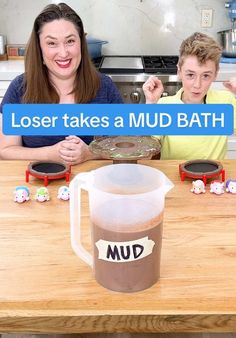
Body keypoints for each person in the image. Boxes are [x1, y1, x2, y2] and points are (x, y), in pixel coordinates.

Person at [0, 3, 122, 165]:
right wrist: (50, 153)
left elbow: (124, 147)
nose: (63, 53)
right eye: (52, 43)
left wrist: (91, 152)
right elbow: (6, 150)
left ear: (81, 44)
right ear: (40, 49)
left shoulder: (105, 87)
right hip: (36, 186)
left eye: (70, 41)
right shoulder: (20, 88)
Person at [142, 32, 236, 160]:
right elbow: (144, 155)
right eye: (190, 75)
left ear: (215, 74)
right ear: (179, 72)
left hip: (215, 179)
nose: (197, 85)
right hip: (173, 177)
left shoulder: (226, 102)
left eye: (206, 76)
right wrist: (150, 106)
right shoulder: (164, 106)